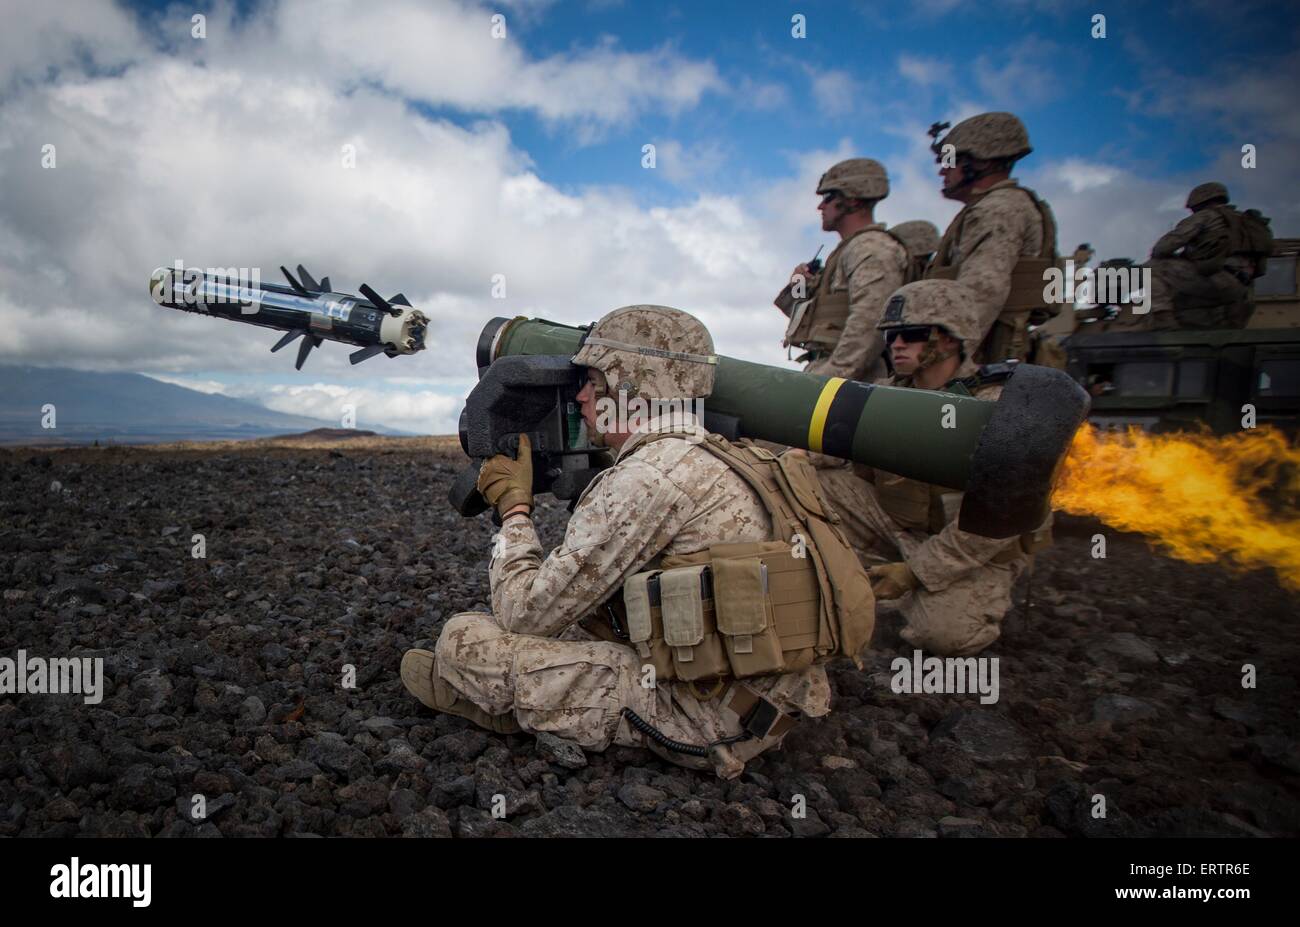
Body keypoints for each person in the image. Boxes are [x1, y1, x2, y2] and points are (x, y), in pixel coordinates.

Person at [400, 305, 874, 779]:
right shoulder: (727, 454)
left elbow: (523, 612)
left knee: (466, 641)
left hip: (706, 717)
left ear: (628, 387)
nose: (583, 396)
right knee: (578, 619)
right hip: (771, 695)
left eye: (592, 379)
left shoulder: (649, 477)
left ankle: (513, 706)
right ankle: (533, 704)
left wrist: (515, 509)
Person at [808, 280, 1051, 656]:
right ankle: (850, 580)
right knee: (807, 481)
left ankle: (911, 592)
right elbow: (831, 452)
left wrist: (916, 572)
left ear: (951, 339)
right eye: (891, 336)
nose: (897, 344)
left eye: (913, 334)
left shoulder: (999, 404)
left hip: (967, 546)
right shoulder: (885, 393)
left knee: (943, 637)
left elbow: (1002, 515)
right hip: (900, 525)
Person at [925, 113, 1061, 364]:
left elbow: (980, 294)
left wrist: (942, 364)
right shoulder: (1000, 206)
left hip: (984, 359)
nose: (943, 169)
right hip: (985, 355)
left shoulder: (997, 210)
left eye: (951, 160)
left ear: (981, 162)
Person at [775, 158, 908, 382]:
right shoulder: (848, 250)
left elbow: (869, 324)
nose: (820, 206)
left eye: (829, 197)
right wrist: (800, 287)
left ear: (853, 201)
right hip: (829, 370)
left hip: (851, 380)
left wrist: (830, 379)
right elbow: (816, 323)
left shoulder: (871, 248)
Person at [1146, 182, 1271, 330]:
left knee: (1148, 269)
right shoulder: (1245, 221)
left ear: (1197, 201)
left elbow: (1162, 248)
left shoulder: (1206, 216)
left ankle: (1163, 321)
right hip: (1243, 290)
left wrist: (1179, 258)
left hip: (1217, 280)